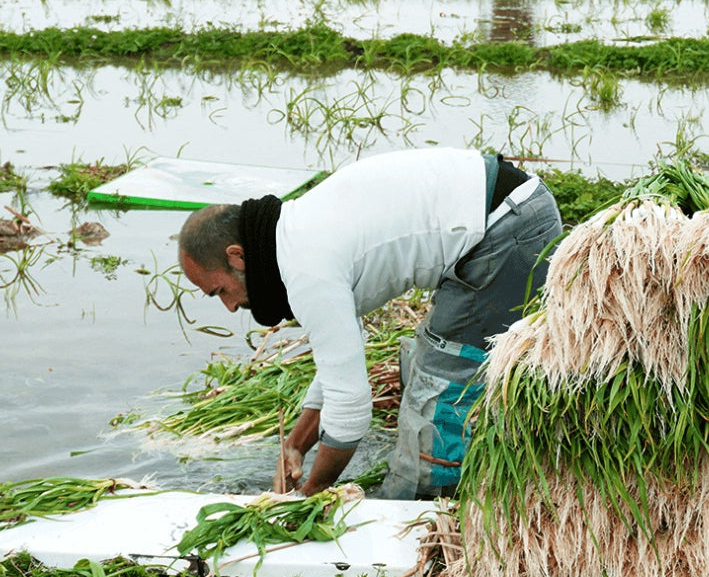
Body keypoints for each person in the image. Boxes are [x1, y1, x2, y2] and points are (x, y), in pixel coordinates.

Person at [177, 147, 561, 498]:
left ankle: (424, 509)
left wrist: (311, 494)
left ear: (237, 257)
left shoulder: (305, 267)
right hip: (509, 209)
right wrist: (295, 443)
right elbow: (340, 358)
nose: (228, 307)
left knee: (439, 381)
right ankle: (481, 472)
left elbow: (350, 410)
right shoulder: (295, 235)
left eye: (219, 291)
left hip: (508, 227)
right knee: (436, 358)